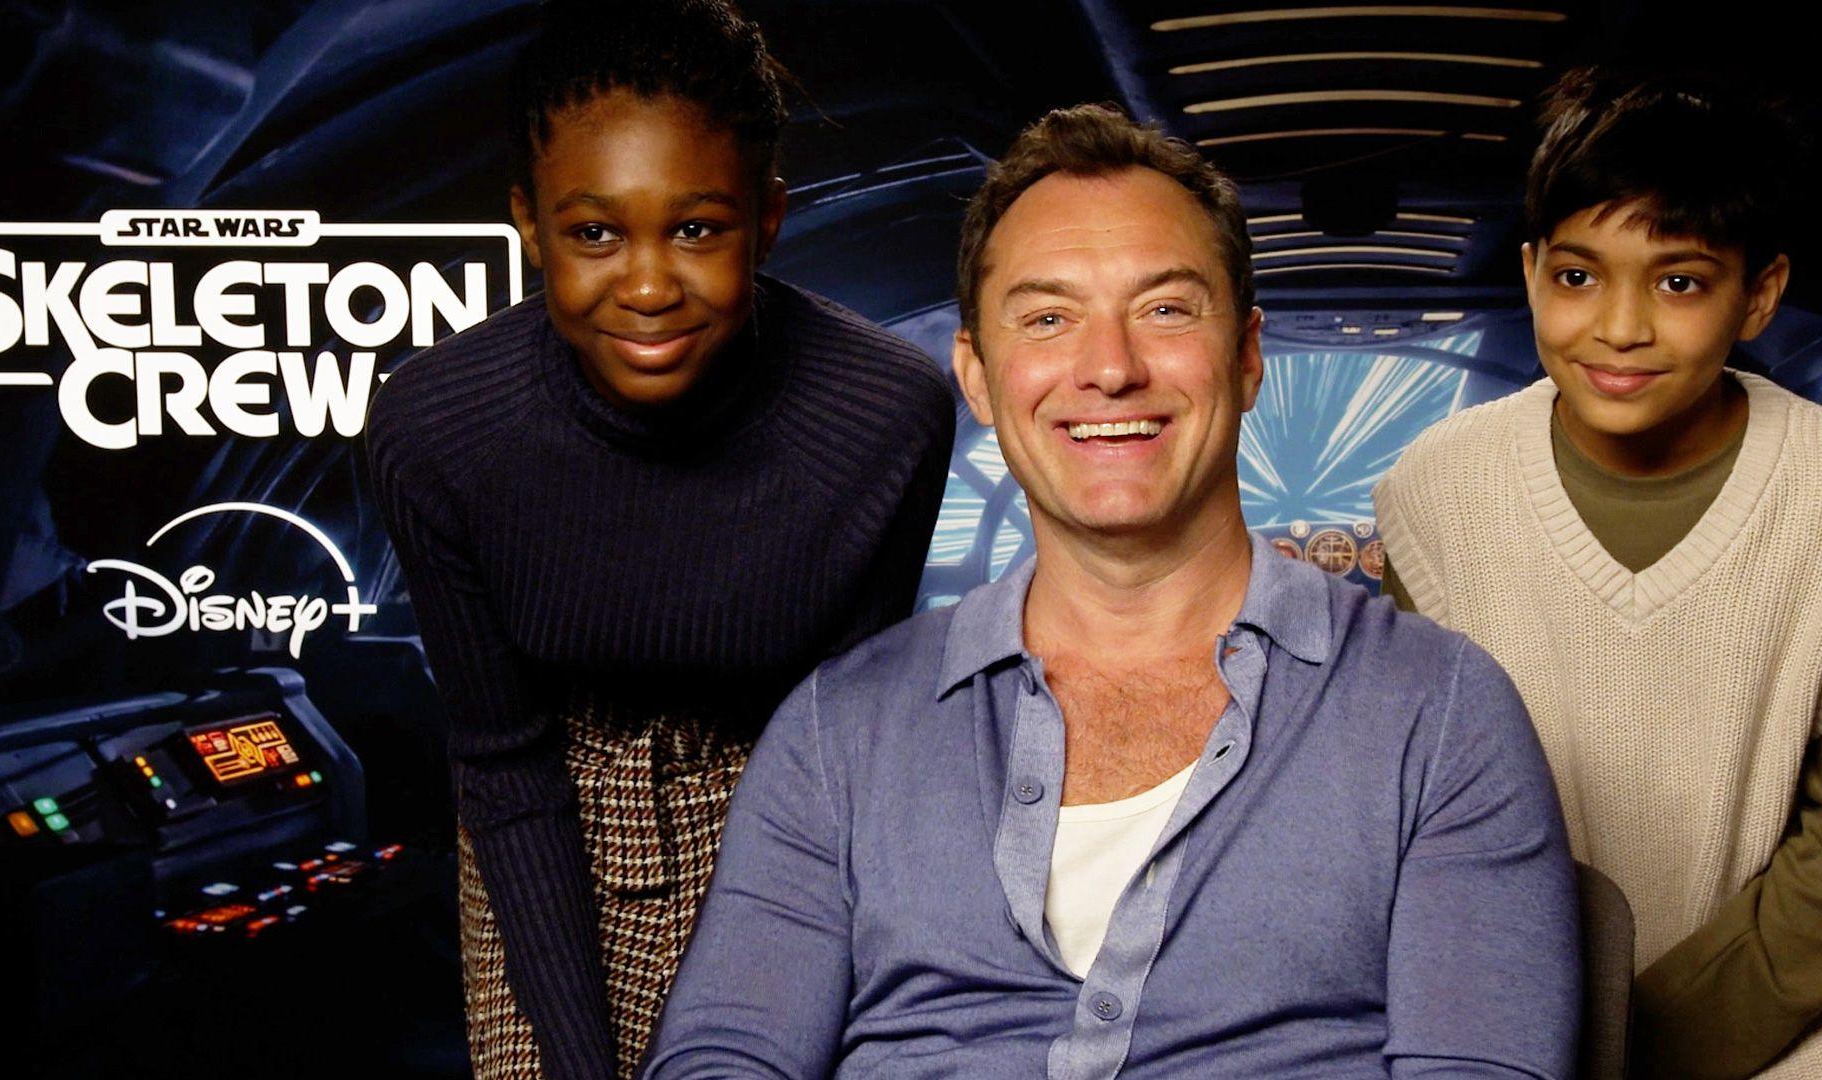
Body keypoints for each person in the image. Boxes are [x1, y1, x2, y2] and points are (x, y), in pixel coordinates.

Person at [643, 103, 1580, 1078]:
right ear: (977, 374)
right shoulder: (839, 731)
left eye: (1166, 309)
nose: (1110, 368)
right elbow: (726, 1056)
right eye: (1048, 318)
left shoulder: (1439, 714)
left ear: (1248, 356)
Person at [363, 2, 956, 1076]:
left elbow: (848, 740)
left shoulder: (886, 413)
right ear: (529, 225)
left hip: (792, 811)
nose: (645, 286)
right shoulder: (434, 428)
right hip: (543, 822)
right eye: (594, 232)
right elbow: (502, 766)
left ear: (767, 220)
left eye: (696, 229)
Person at [1374, 67, 1822, 1077]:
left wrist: (1643, 1045)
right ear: (1532, 273)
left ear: (1760, 295)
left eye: (1680, 282)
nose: (1620, 327)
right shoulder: (1438, 491)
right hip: (1498, 1023)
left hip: (1777, 1032)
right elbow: (1416, 809)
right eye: (1579, 277)